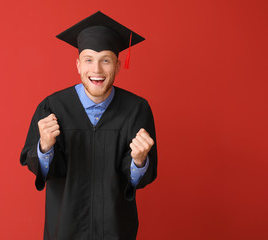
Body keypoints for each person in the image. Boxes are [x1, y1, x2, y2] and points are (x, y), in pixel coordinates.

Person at [20, 11, 158, 240]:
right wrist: (44, 147)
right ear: (77, 65)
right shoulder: (52, 107)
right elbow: (38, 169)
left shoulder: (136, 110)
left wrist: (140, 160)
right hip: (65, 230)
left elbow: (140, 180)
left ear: (118, 65)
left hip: (115, 231)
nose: (96, 70)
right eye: (88, 60)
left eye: (105, 60)